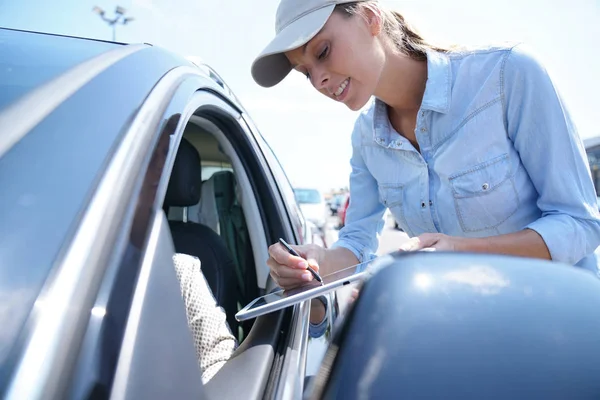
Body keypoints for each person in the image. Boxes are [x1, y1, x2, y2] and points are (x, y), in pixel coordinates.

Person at [250, 0, 600, 289]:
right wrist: (319, 262)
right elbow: (357, 244)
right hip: (469, 340)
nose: (319, 80)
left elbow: (580, 223)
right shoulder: (366, 139)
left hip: (564, 328)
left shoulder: (508, 75)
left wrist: (462, 252)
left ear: (371, 17)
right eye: (305, 72)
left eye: (323, 51)